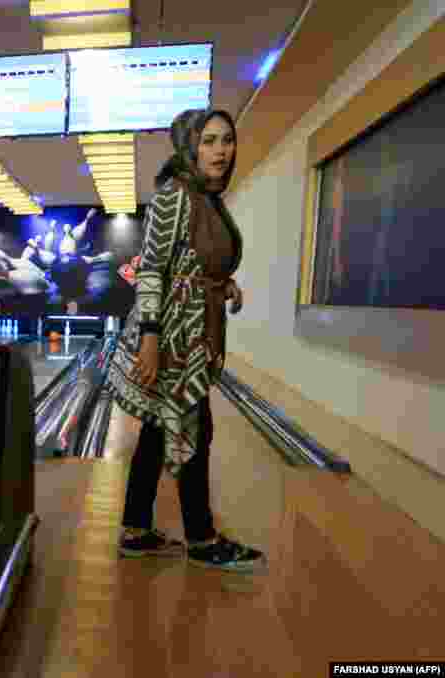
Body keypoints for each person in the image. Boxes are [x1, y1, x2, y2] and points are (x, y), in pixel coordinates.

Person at [103, 108, 264, 571]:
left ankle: (135, 530)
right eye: (210, 141)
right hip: (173, 337)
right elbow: (152, 268)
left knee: (158, 428)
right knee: (194, 430)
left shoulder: (207, 197)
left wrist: (223, 285)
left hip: (193, 330)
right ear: (191, 146)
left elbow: (198, 262)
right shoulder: (176, 195)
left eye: (227, 140)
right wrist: (150, 339)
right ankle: (201, 538)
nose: (221, 150)